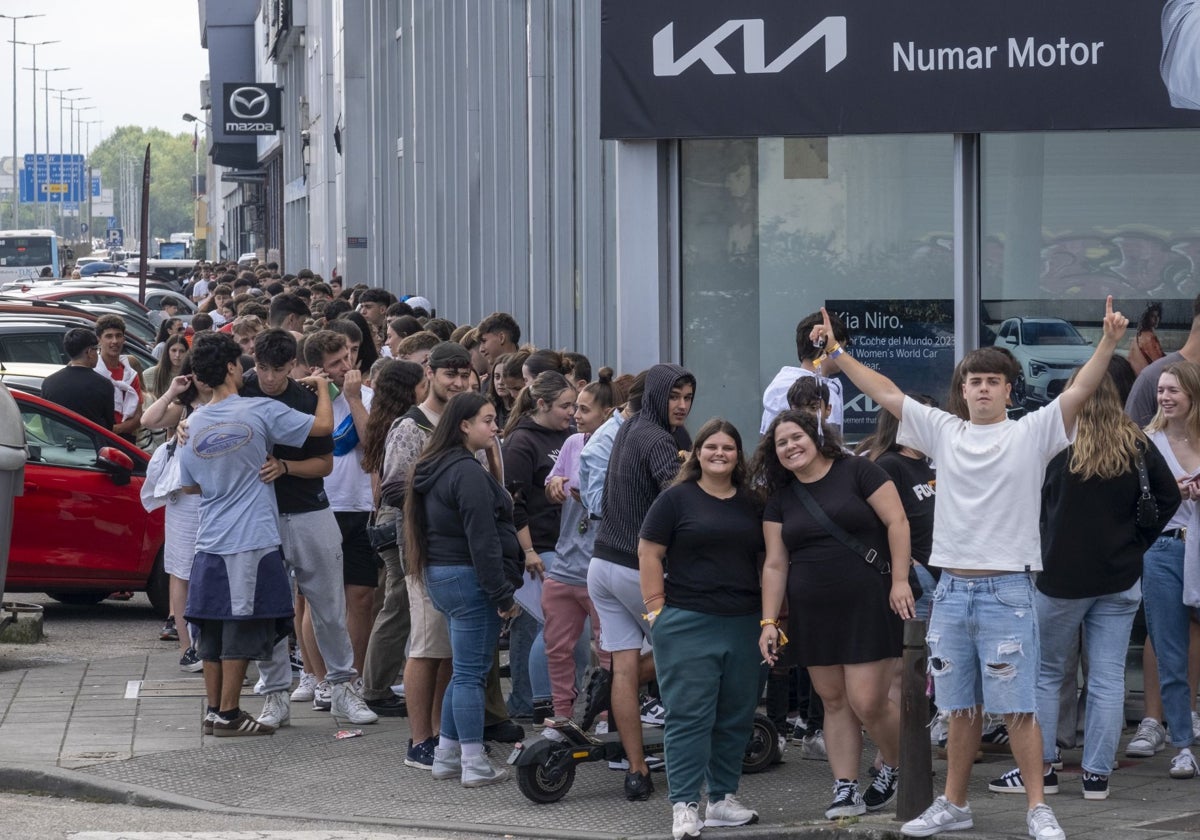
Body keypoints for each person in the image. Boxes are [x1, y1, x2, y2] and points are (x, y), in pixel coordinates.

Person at [809, 298, 1128, 840]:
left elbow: (1078, 391)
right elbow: (885, 390)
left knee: (1019, 709)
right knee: (959, 709)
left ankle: (1036, 809)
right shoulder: (943, 432)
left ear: (1009, 390)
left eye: (991, 381)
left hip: (1009, 589)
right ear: (963, 391)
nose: (981, 388)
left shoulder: (1033, 433)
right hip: (952, 592)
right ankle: (954, 805)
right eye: (973, 381)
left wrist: (1108, 343)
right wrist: (838, 352)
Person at [986, 367, 1180, 801]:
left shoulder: (1056, 447)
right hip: (1119, 576)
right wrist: (1137, 545)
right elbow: (1168, 497)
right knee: (1109, 678)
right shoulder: (1135, 444)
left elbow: (1025, 506)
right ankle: (1096, 775)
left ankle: (1045, 770)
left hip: (1059, 578)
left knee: (1049, 674)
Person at [755, 409, 911, 820]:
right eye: (781, 443)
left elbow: (897, 522)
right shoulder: (780, 500)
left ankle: (897, 763)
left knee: (868, 701)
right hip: (813, 611)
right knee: (834, 701)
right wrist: (769, 621)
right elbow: (775, 564)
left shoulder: (858, 471)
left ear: (815, 436)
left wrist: (900, 581)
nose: (790, 446)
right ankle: (846, 788)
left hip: (868, 603)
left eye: (796, 437)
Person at [178, 332, 333, 737]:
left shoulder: (191, 424)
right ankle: (230, 712)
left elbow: (190, 485)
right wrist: (321, 386)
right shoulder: (259, 410)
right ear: (232, 368)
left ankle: (214, 711)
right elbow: (321, 427)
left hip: (209, 537)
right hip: (253, 536)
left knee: (210, 626)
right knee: (242, 625)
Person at [243, 329, 378, 728]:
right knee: (266, 609)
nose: (268, 378)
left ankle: (342, 688)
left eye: (277, 369)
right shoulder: (242, 392)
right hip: (258, 515)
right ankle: (275, 695)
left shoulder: (306, 398)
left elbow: (325, 465)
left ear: (292, 366)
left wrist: (285, 467)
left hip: (308, 510)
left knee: (329, 608)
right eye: (262, 368)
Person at [640, 419, 763, 839]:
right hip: (686, 622)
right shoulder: (676, 499)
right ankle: (684, 803)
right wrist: (656, 610)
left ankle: (723, 800)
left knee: (736, 716)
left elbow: (768, 561)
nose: (719, 453)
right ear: (697, 453)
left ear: (738, 455)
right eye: (711, 446)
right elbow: (649, 552)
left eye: (729, 447)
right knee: (688, 718)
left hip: (744, 621)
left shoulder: (753, 502)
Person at [404, 391, 522, 787]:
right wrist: (502, 594)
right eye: (488, 421)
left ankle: (448, 755)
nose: (495, 427)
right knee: (470, 674)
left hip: (442, 576)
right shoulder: (466, 472)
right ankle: (473, 761)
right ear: (464, 426)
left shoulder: (436, 465)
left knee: (463, 672)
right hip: (469, 577)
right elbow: (483, 540)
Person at [590, 363, 695, 801]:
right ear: (656, 395)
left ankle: (636, 770)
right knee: (687, 650)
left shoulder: (630, 426)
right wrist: (691, 468)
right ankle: (690, 759)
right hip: (637, 568)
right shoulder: (658, 440)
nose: (683, 406)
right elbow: (677, 500)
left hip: (602, 566)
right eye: (674, 396)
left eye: (688, 397)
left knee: (625, 670)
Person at [542, 370, 627, 722]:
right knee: (557, 649)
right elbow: (551, 484)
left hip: (600, 565)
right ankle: (562, 714)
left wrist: (590, 493)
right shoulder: (573, 444)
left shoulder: (621, 445)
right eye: (575, 407)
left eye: (585, 409)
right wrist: (557, 484)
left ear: (607, 413)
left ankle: (608, 715)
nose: (576, 415)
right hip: (564, 566)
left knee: (608, 650)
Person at [501, 371, 577, 721]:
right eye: (565, 406)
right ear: (542, 404)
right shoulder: (521, 441)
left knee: (565, 629)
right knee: (545, 627)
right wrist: (528, 550)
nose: (572, 413)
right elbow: (513, 501)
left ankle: (560, 699)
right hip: (540, 547)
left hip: (566, 545)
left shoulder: (571, 436)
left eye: (575, 406)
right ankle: (531, 702)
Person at [303, 330, 377, 684]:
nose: (346, 366)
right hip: (319, 507)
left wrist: (353, 399)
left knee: (361, 596)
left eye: (348, 357)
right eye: (336, 363)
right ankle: (320, 680)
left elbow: (373, 445)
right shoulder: (304, 398)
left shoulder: (367, 396)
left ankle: (353, 678)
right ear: (318, 368)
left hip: (360, 506)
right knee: (319, 600)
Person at [1142, 361, 1200, 779]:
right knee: (1170, 653)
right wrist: (1169, 495)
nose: (1164, 397)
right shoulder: (1146, 442)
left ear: (1192, 395)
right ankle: (1183, 745)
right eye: (1162, 390)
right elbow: (1132, 505)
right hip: (1163, 550)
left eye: (1173, 391)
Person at [359, 359, 426, 716]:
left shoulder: (387, 422)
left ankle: (378, 683)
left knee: (396, 601)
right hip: (396, 520)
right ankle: (374, 686)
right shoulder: (403, 427)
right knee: (398, 603)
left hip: (386, 519)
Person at [142, 355, 211, 671]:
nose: (203, 378)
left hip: (217, 496)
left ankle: (211, 642)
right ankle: (188, 647)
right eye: (196, 372)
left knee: (211, 569)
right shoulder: (184, 407)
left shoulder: (232, 402)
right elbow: (148, 421)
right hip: (184, 501)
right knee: (181, 568)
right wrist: (172, 392)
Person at [760, 310, 850, 434]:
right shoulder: (822, 393)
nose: (843, 354)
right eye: (842, 348)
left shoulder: (778, 389)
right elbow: (830, 447)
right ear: (825, 347)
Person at [40, 328, 114, 431]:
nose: (97, 354)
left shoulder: (49, 382)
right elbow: (109, 426)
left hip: (60, 443)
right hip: (92, 444)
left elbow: (46, 422)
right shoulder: (103, 384)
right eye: (96, 350)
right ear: (89, 352)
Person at [92, 314, 143, 441]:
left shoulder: (131, 375)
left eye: (118, 336)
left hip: (125, 440)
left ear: (123, 339)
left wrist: (116, 430)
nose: (114, 341)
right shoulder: (92, 371)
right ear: (99, 340)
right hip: (95, 438)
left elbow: (138, 417)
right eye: (109, 336)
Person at [1129, 303, 1166, 375]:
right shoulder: (1149, 338)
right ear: (1147, 318)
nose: (1156, 319)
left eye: (1157, 316)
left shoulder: (1138, 335)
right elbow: (1158, 362)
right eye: (1152, 316)